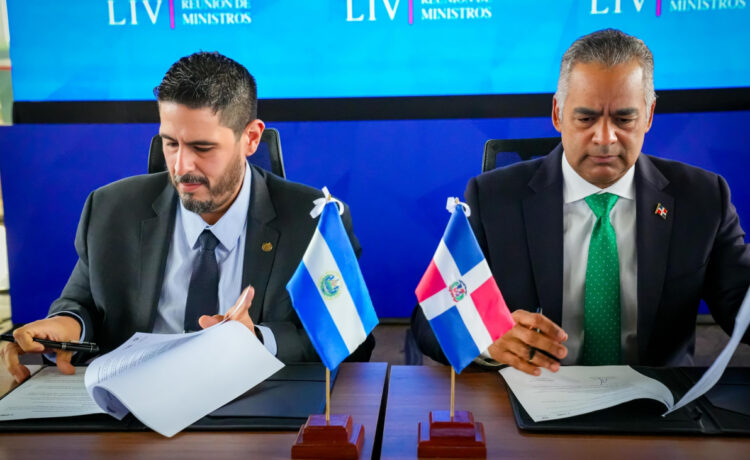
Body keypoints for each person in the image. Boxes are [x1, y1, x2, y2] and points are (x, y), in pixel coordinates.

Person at [2, 52, 374, 383]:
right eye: (170, 143)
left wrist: (259, 339)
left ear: (251, 139)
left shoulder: (314, 222)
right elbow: (81, 305)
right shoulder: (110, 210)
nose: (181, 167)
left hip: (254, 410)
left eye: (202, 147)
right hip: (133, 410)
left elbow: (353, 342)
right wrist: (65, 327)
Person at [412, 29, 750, 375]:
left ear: (649, 116)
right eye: (586, 118)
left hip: (659, 400)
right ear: (558, 114)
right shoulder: (493, 199)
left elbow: (742, 304)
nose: (604, 138)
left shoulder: (703, 199)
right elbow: (429, 318)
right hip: (534, 395)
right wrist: (485, 338)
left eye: (624, 119)